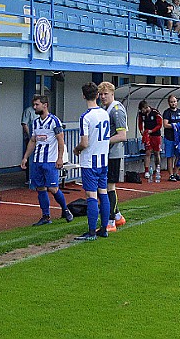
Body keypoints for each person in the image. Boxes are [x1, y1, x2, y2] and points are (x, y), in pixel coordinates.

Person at [21, 95, 73, 226]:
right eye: (34, 105)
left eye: (37, 105)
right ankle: (45, 216)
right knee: (40, 188)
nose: (34, 107)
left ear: (45, 105)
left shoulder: (54, 121)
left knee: (53, 188)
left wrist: (60, 158)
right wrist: (26, 157)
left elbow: (61, 140)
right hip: (37, 161)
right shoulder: (35, 122)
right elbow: (33, 140)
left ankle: (65, 209)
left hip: (50, 161)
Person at [73, 82, 110, 241]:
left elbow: (84, 142)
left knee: (91, 195)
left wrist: (76, 149)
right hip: (103, 159)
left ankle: (91, 232)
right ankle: (104, 228)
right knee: (103, 193)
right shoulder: (104, 113)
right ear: (97, 95)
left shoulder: (85, 117)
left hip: (90, 161)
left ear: (83, 96)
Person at [98, 82, 127, 233]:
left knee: (109, 186)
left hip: (113, 154)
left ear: (112, 94)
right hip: (107, 153)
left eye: (105, 94)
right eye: (101, 94)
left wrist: (103, 142)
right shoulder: (106, 109)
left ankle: (111, 222)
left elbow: (122, 136)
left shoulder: (116, 110)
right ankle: (117, 216)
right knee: (104, 186)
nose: (103, 97)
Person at [162, 95, 180, 182]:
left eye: (174, 101)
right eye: (171, 102)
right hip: (170, 138)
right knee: (170, 156)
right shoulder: (167, 112)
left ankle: (176, 173)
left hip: (179, 139)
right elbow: (165, 125)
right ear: (169, 103)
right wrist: (175, 125)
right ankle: (171, 174)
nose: (173, 103)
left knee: (179, 155)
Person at [138, 100, 162, 179]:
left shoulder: (155, 112)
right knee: (147, 152)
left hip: (156, 135)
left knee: (156, 153)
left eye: (143, 109)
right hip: (147, 136)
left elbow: (159, 125)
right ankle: (146, 171)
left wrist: (152, 130)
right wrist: (141, 130)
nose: (142, 111)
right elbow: (140, 123)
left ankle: (158, 169)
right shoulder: (141, 114)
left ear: (146, 107)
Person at [21, 101, 36, 185]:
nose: (35, 106)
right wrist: (30, 135)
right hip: (30, 138)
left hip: (38, 138)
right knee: (29, 156)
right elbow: (24, 124)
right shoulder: (28, 111)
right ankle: (28, 178)